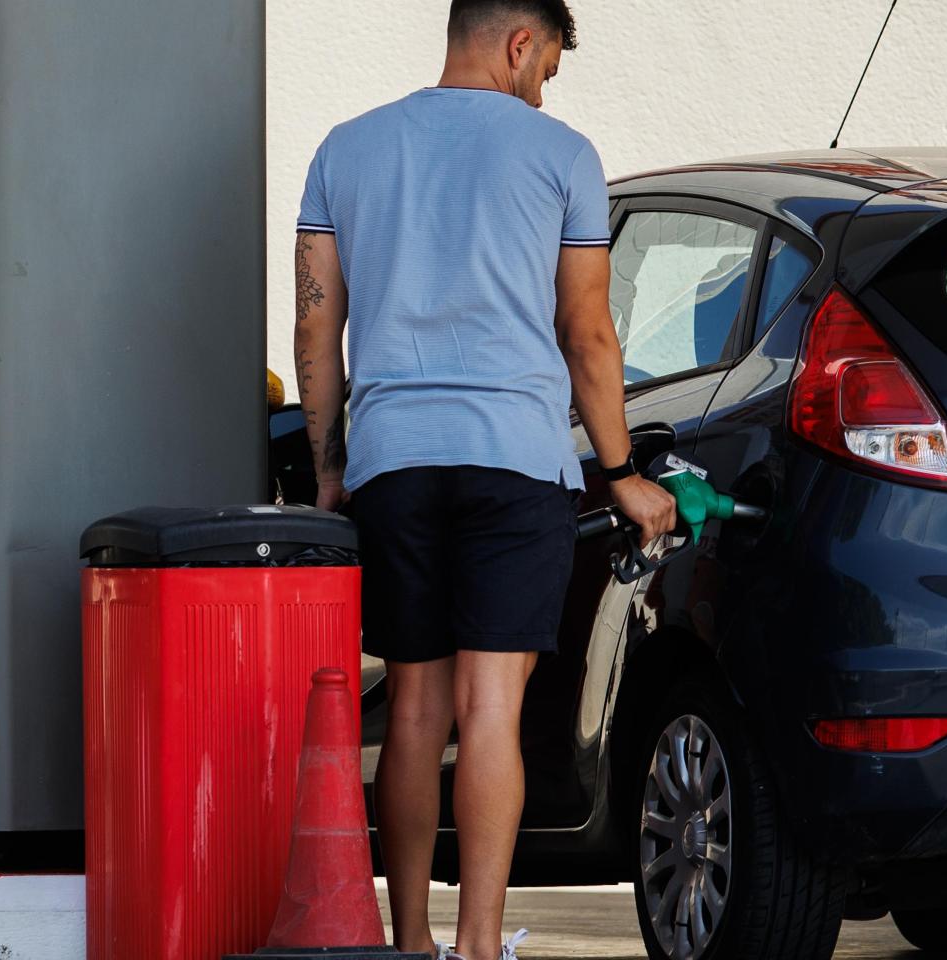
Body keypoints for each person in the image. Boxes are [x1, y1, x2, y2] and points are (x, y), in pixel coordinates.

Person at [291, 2, 677, 957]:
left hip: (394, 463)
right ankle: (479, 947)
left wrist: (330, 473)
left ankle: (411, 942)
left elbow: (313, 328)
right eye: (546, 64)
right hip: (516, 461)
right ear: (518, 43)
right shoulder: (564, 156)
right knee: (491, 708)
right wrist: (622, 471)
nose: (544, 87)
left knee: (416, 704)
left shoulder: (346, 149)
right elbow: (587, 333)